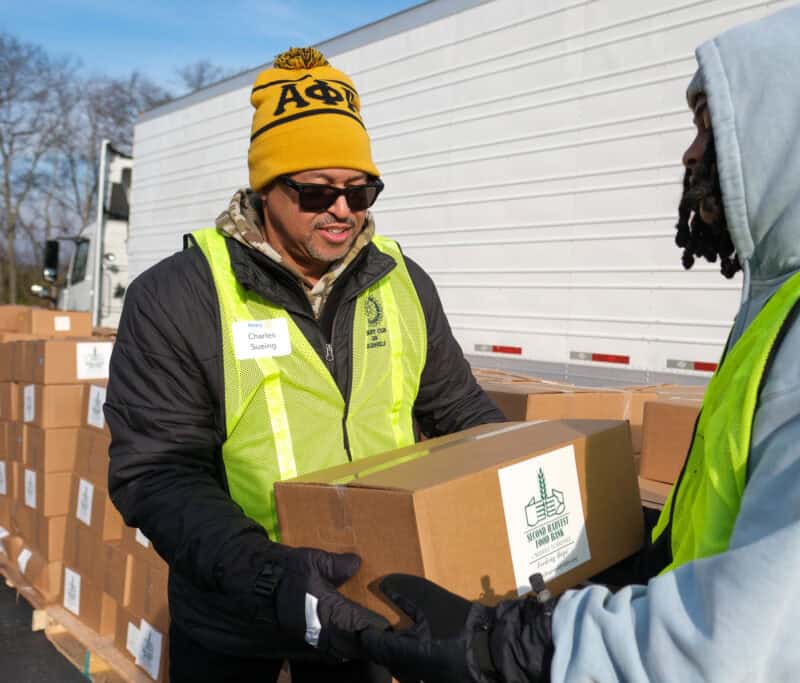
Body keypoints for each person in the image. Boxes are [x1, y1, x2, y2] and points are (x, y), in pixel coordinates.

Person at [356, 1, 800, 680]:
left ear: (797, 128)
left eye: (711, 126)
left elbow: (750, 638)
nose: (691, 151)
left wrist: (511, 645)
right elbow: (731, 533)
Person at [105, 47, 504, 683]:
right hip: (235, 617)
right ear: (265, 187)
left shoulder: (403, 282)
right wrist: (271, 578)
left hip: (368, 606)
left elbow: (459, 411)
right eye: (317, 191)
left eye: (361, 190)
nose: (343, 210)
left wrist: (522, 497)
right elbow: (156, 473)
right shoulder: (179, 296)